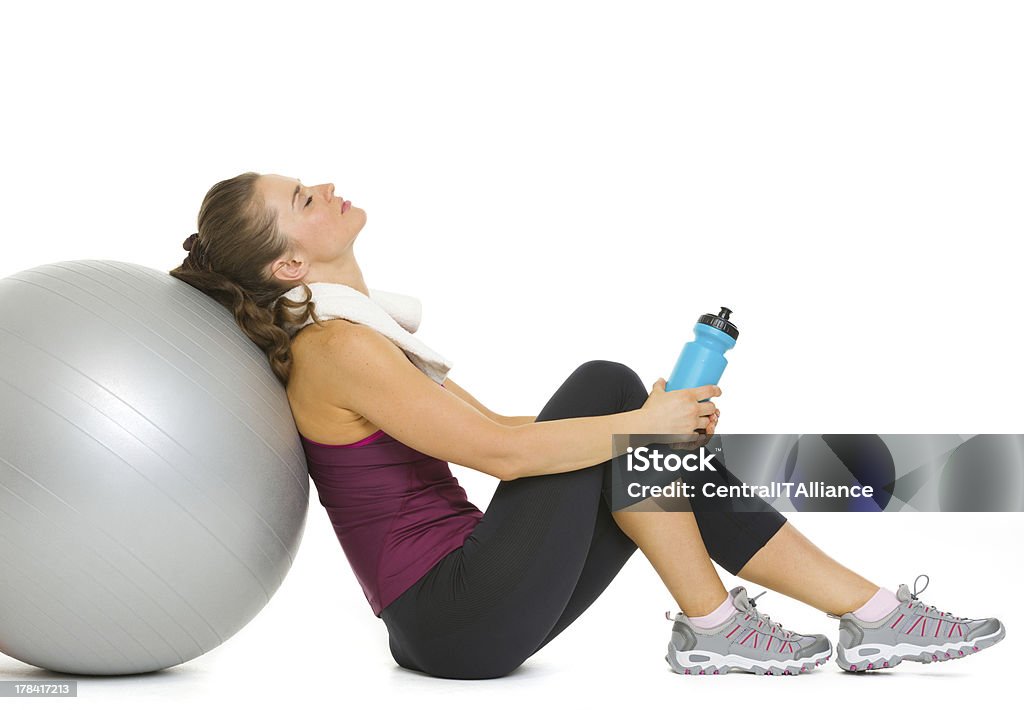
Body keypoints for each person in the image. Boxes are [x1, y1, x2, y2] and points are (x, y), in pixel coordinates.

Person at [169, 171, 1005, 679]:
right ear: (289, 264)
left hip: (467, 613)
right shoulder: (334, 347)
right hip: (450, 615)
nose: (326, 185)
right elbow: (501, 452)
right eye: (304, 200)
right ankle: (754, 626)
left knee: (628, 426)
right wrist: (637, 421)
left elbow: (498, 426)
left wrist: (649, 424)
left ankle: (837, 617)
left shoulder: (353, 332)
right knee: (612, 399)